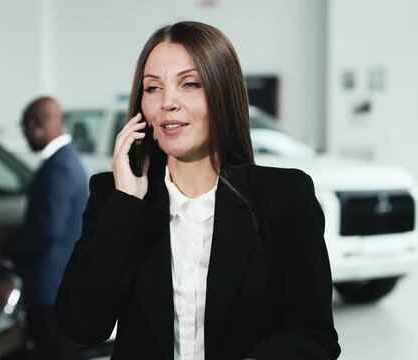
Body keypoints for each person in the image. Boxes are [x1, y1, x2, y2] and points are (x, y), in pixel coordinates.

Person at [55, 21, 340, 360]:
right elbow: (82, 327)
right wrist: (128, 203)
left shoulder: (284, 196)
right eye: (153, 88)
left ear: (223, 93)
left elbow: (316, 337)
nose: (168, 103)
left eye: (190, 84)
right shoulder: (112, 196)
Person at [10, 96, 88, 359]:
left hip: (50, 288)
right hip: (61, 284)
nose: (25, 135)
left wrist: (7, 248)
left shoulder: (59, 168)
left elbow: (48, 231)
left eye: (24, 127)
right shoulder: (68, 160)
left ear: (37, 123)